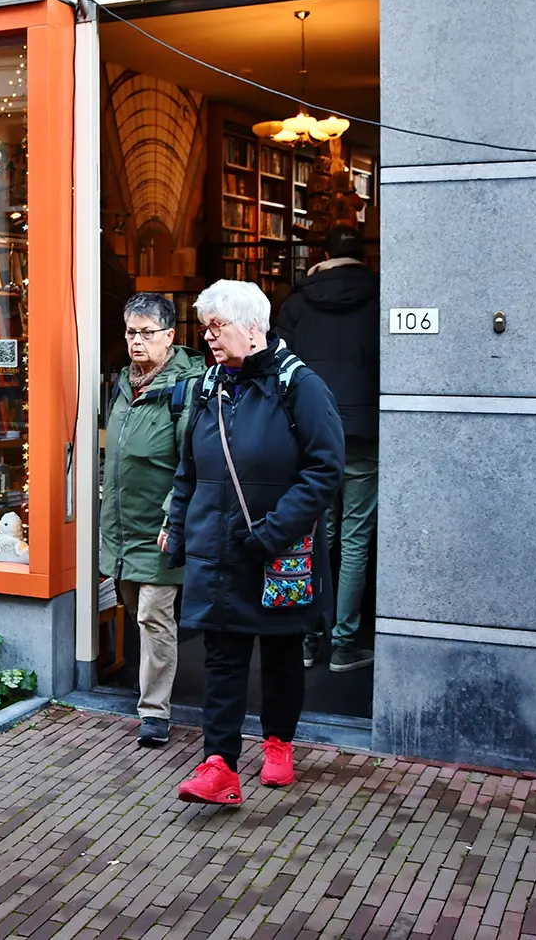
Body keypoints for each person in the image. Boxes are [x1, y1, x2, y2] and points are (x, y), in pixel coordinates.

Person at [161, 280, 344, 807]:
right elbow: (189, 469)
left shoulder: (300, 386)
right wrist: (178, 527)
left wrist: (271, 532)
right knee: (221, 659)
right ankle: (219, 765)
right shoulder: (207, 385)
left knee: (282, 653)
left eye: (217, 326)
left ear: (252, 328)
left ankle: (279, 743)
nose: (208, 336)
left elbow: (325, 470)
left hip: (276, 552)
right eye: (205, 327)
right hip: (216, 551)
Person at [99, 292, 205, 748]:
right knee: (133, 606)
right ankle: (151, 683)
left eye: (146, 332)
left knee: (153, 615)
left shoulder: (187, 388)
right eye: (130, 332)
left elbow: (192, 463)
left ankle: (154, 711)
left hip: (160, 527)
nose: (136, 341)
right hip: (121, 528)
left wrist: (172, 519)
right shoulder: (124, 383)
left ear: (170, 335)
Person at [277, 225, 380, 673]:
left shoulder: (298, 301)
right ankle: (344, 643)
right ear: (364, 255)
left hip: (311, 432)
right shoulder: (381, 294)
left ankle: (306, 637)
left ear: (323, 254)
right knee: (355, 538)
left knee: (317, 534)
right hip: (362, 432)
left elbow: (278, 364)